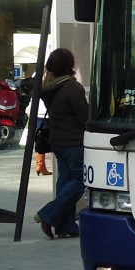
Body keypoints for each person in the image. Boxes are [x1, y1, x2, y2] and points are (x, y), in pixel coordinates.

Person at [33, 49, 89, 239]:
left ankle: (66, 227)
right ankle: (48, 214)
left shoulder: (48, 88)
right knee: (81, 180)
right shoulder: (72, 89)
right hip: (74, 141)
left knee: (65, 182)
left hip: (57, 141)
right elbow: (85, 117)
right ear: (69, 65)